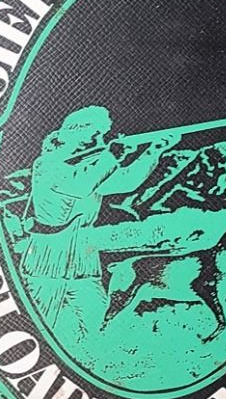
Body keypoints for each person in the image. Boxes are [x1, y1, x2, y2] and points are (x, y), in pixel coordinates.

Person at [17, 106, 180, 335]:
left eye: (101, 134)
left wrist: (154, 151)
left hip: (84, 262)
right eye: (94, 134)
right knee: (37, 325)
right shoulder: (48, 164)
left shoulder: (93, 166)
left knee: (99, 325)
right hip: (47, 264)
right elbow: (79, 185)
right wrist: (111, 156)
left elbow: (126, 181)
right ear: (74, 133)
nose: (99, 140)